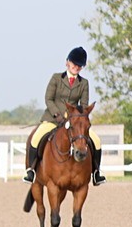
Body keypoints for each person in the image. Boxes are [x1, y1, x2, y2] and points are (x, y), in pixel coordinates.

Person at [23, 46, 105, 186]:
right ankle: (31, 171)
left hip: (74, 121)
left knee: (96, 140)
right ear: (67, 62)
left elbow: (84, 105)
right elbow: (48, 99)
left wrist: (76, 116)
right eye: (74, 64)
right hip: (53, 118)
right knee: (36, 138)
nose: (76, 67)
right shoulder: (56, 78)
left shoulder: (84, 83)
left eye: (80, 66)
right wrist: (58, 115)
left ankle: (96, 173)